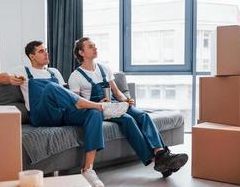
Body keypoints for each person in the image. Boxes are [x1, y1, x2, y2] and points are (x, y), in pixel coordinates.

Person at [0, 40, 129, 187]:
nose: (46, 53)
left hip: (61, 113)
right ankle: (99, 106)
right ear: (32, 56)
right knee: (51, 87)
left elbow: (65, 96)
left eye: (46, 50)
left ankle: (88, 169)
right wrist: (8, 79)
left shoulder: (54, 72)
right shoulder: (22, 70)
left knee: (93, 114)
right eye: (41, 51)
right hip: (41, 115)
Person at [68, 37, 188, 179]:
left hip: (114, 103)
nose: (95, 48)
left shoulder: (104, 68)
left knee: (143, 115)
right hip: (99, 108)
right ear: (81, 52)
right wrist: (99, 103)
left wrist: (126, 100)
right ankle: (160, 161)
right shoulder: (75, 76)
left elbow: (117, 92)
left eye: (95, 46)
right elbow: (78, 103)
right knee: (128, 120)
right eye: (90, 47)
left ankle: (160, 153)